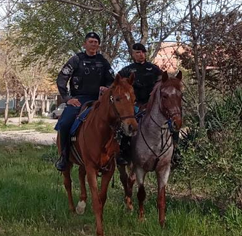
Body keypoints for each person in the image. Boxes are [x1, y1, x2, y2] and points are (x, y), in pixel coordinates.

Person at [54, 32, 115, 171]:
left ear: (98, 45)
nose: (93, 44)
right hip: (79, 100)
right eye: (91, 42)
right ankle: (64, 156)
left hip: (99, 100)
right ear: (85, 44)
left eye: (96, 42)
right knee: (64, 123)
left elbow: (112, 81)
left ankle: (118, 156)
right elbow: (61, 79)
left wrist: (107, 88)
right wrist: (68, 99)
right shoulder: (76, 59)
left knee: (120, 121)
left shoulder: (103, 61)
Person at [116, 42, 162, 165]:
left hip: (152, 105)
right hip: (135, 105)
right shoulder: (127, 70)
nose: (141, 54)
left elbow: (162, 82)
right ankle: (124, 152)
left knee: (169, 121)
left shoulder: (154, 69)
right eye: (137, 52)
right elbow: (117, 83)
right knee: (127, 126)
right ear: (133, 54)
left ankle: (175, 150)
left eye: (142, 52)